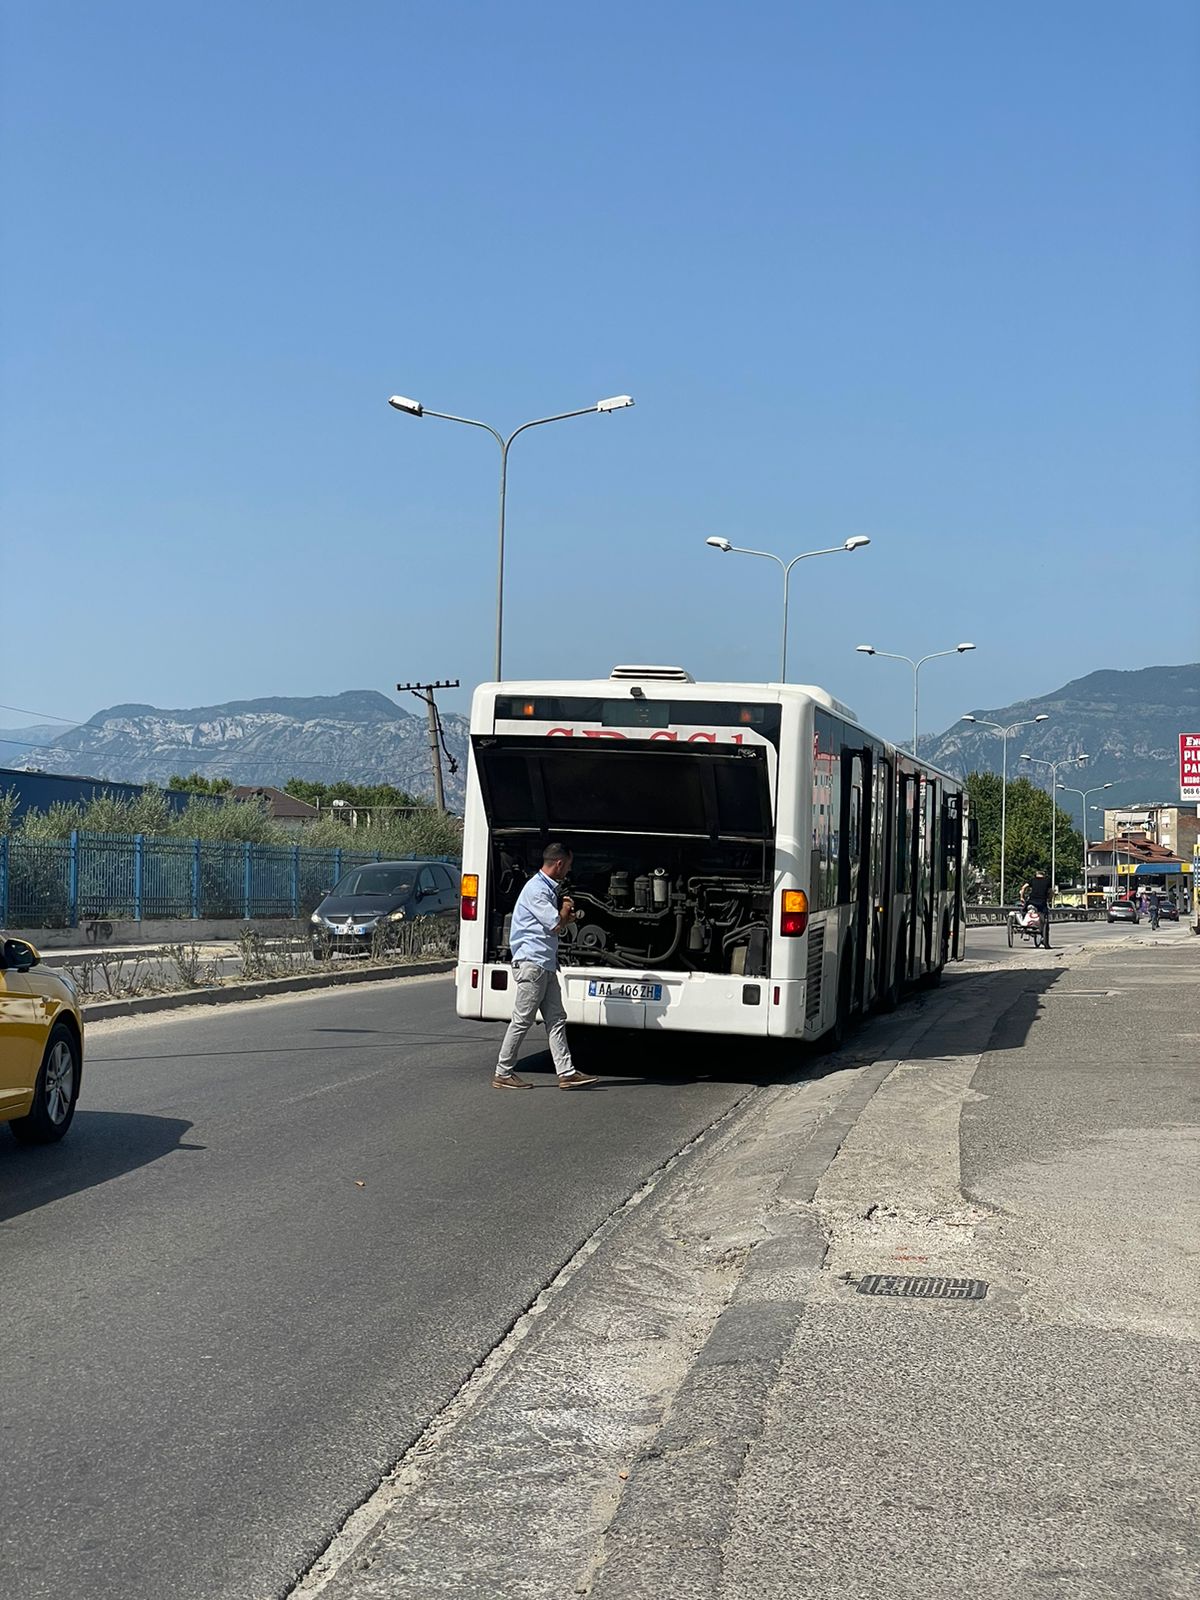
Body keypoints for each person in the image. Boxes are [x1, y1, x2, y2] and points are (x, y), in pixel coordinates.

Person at [493, 843, 598, 1091]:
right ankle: (502, 1072)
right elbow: (553, 925)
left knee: (556, 1019)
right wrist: (564, 910)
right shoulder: (537, 890)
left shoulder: (545, 888)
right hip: (533, 963)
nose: (568, 871)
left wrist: (565, 917)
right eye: (568, 866)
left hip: (545, 964)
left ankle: (567, 1073)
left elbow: (555, 924)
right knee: (522, 1020)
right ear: (559, 863)